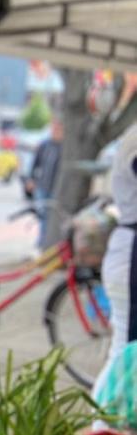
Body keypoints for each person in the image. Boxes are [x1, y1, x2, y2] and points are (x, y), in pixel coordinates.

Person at [93, 123, 137, 398]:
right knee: (125, 354)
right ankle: (102, 431)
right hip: (132, 256)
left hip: (128, 251)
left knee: (124, 352)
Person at [26, 119, 63, 249]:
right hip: (42, 186)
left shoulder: (65, 147)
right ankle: (42, 242)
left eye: (58, 128)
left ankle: (46, 243)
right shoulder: (45, 145)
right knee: (43, 216)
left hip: (56, 188)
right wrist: (31, 179)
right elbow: (35, 164)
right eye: (54, 128)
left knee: (51, 217)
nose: (55, 131)